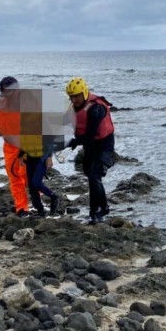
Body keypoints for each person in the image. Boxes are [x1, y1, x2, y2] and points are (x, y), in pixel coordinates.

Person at [65, 77, 115, 224]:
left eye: (76, 96)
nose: (73, 100)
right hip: (90, 146)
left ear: (84, 93)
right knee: (91, 175)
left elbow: (90, 135)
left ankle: (94, 213)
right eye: (71, 97)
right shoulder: (74, 107)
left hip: (104, 145)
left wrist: (71, 143)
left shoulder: (96, 109)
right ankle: (104, 207)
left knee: (94, 176)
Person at [0, 76, 29, 217]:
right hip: (10, 146)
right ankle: (22, 208)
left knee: (30, 176)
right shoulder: (0, 105)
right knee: (15, 177)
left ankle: (36, 205)